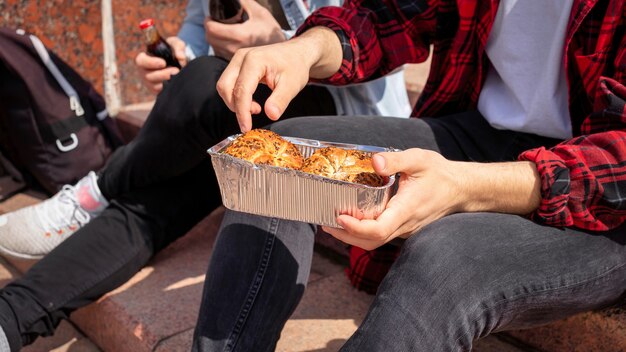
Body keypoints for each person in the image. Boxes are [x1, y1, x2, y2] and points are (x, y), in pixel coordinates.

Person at [192, 0, 626, 350]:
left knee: (449, 257)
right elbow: (391, 15)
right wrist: (305, 48)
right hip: (483, 133)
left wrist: (464, 187)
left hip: (605, 199)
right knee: (273, 162)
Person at [0, 0, 411, 350]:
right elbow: (199, 34)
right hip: (244, 114)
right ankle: (10, 317)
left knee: (200, 89)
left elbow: (392, 39)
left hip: (346, 126)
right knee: (159, 186)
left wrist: (286, 40)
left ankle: (99, 189)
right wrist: (179, 53)